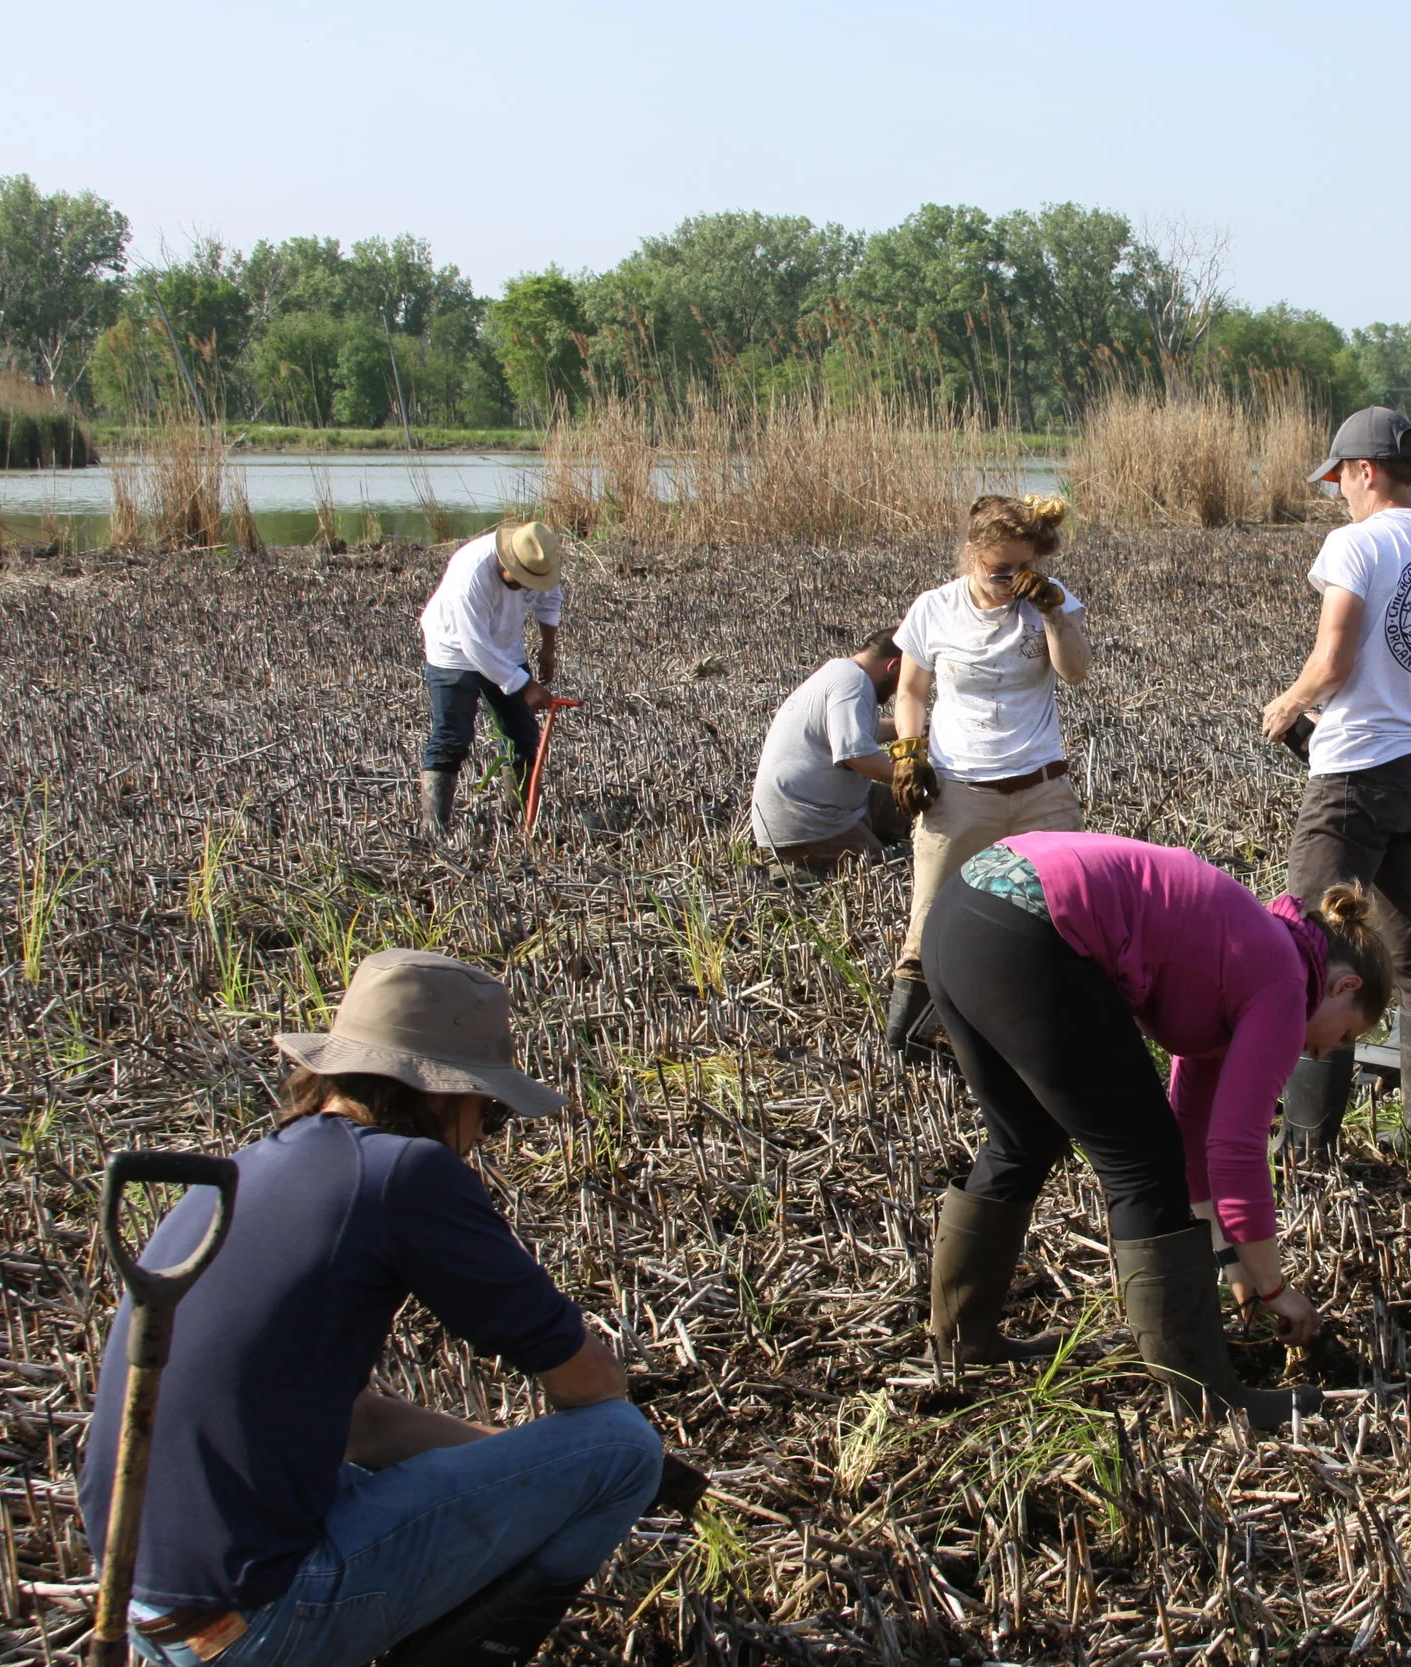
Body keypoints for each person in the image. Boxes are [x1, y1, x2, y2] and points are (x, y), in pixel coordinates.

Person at [81, 950, 666, 1667]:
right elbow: (592, 1384)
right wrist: (589, 1475)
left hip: (148, 1611)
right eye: (488, 1110)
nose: (483, 1136)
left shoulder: (247, 1167)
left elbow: (363, 1423)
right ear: (443, 1094)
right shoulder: (406, 1172)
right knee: (623, 1448)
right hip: (267, 1620)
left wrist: (517, 1466)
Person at [922, 831, 1392, 1428]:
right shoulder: (1285, 982)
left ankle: (963, 1342)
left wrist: (1232, 1262)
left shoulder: (1246, 954)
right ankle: (1205, 1396)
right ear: (1344, 986)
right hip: (1030, 923)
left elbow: (1196, 1140)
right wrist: (1276, 1288)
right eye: (1346, 1035)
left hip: (965, 906)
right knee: (1141, 1164)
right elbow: (1237, 1149)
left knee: (1025, 1139)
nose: (1327, 1053)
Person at [1260, 407, 1411, 1154]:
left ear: (1364, 471)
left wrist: (1290, 702)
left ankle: (1306, 1142)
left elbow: (1334, 659)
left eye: (1340, 481)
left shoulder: (1356, 543)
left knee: (1311, 943)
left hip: (1348, 774)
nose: (1339, 496)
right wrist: (1402, 700)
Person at [883, 493, 1092, 1057]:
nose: (1012, 580)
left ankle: (1051, 1036)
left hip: (1041, 788)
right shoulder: (934, 608)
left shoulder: (1049, 601)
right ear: (972, 551)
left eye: (1024, 569)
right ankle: (903, 1046)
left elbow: (1074, 673)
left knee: (1065, 916)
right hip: (961, 792)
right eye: (1001, 569)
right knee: (927, 923)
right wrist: (908, 751)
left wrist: (1051, 610)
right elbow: (909, 691)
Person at [417, 522, 568, 835]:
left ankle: (516, 821)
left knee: (523, 736)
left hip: (506, 647)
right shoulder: (469, 573)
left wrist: (548, 649)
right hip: (453, 650)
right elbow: (475, 646)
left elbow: (550, 600)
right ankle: (434, 829)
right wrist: (524, 685)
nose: (525, 585)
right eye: (520, 579)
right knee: (452, 737)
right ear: (504, 559)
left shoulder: (540, 565)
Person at [751, 628, 907, 871]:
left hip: (826, 806)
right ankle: (792, 873)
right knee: (881, 867)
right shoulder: (853, 684)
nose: (899, 691)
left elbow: (855, 732)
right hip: (807, 822)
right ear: (894, 667)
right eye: (904, 682)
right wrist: (916, 777)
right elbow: (859, 757)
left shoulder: (841, 673)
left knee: (910, 807)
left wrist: (910, 729)